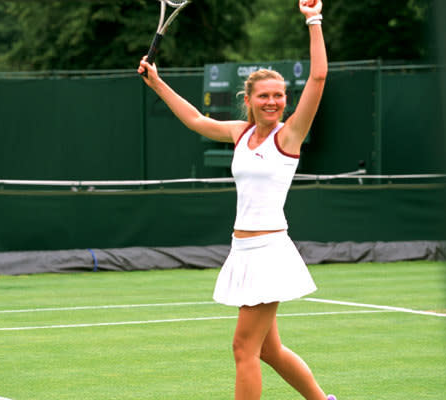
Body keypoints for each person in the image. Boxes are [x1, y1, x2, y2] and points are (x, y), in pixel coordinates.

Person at [138, 1, 335, 399]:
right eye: (264, 95)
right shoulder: (239, 133)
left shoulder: (289, 136)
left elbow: (318, 77)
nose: (273, 102)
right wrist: (157, 82)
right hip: (242, 249)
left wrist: (313, 20)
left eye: (279, 96)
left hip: (269, 251)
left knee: (243, 348)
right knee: (267, 349)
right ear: (250, 99)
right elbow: (196, 119)